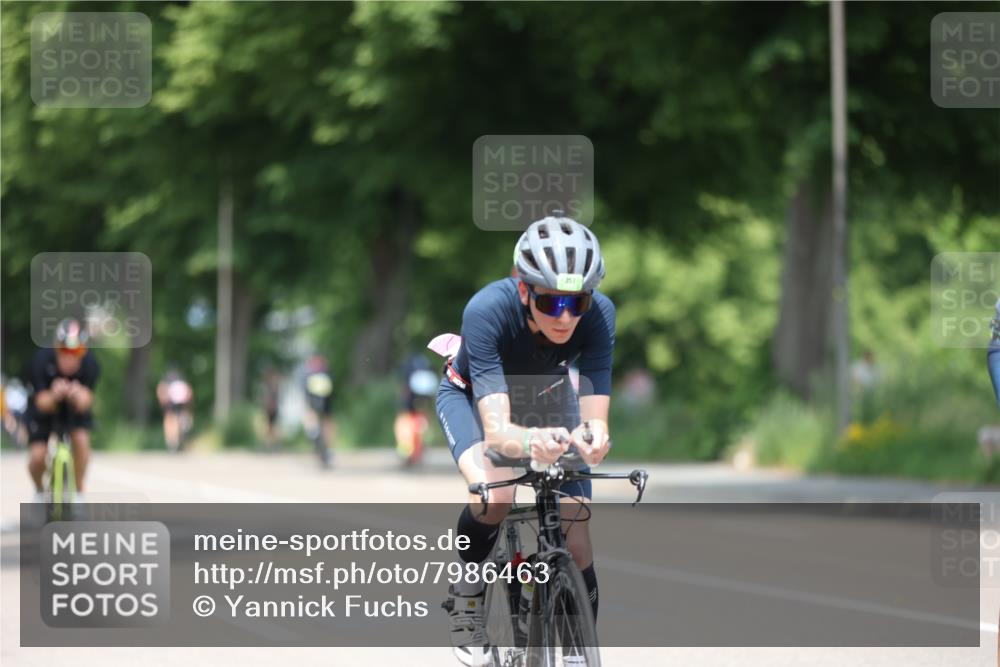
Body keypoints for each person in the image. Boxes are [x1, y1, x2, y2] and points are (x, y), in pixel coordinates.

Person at [436, 212, 614, 666]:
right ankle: (469, 592)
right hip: (475, 394)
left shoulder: (599, 318)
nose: (566, 316)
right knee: (494, 494)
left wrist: (592, 439)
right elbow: (498, 432)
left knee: (575, 527)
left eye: (578, 302)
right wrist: (531, 440)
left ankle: (578, 652)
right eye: (552, 302)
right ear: (523, 290)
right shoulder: (486, 310)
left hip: (545, 393)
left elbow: (595, 416)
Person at [26, 318, 99, 503]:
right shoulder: (41, 360)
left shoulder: (90, 364)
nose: (70, 357)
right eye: (65, 351)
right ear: (57, 348)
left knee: (82, 441)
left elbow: (87, 401)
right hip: (45, 410)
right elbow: (41, 402)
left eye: (76, 352)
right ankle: (39, 490)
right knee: (37, 457)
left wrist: (78, 394)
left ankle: (78, 492)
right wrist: (54, 394)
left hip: (73, 409)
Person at [394, 354, 439, 465]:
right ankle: (415, 453)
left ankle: (407, 454)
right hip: (417, 411)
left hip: (409, 411)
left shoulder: (408, 374)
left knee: (407, 432)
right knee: (420, 431)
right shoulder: (427, 375)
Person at [302, 355, 336, 468]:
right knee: (327, 419)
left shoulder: (308, 374)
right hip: (326, 399)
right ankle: (328, 447)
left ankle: (313, 433)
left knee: (311, 413)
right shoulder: (326, 374)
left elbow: (306, 394)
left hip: (313, 397)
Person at [156, 366, 193, 452]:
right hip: (181, 402)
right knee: (180, 418)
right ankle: (180, 435)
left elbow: (160, 390)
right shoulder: (182, 379)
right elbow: (189, 392)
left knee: (170, 419)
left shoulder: (166, 379)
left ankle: (172, 442)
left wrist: (162, 402)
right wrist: (189, 407)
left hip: (170, 402)